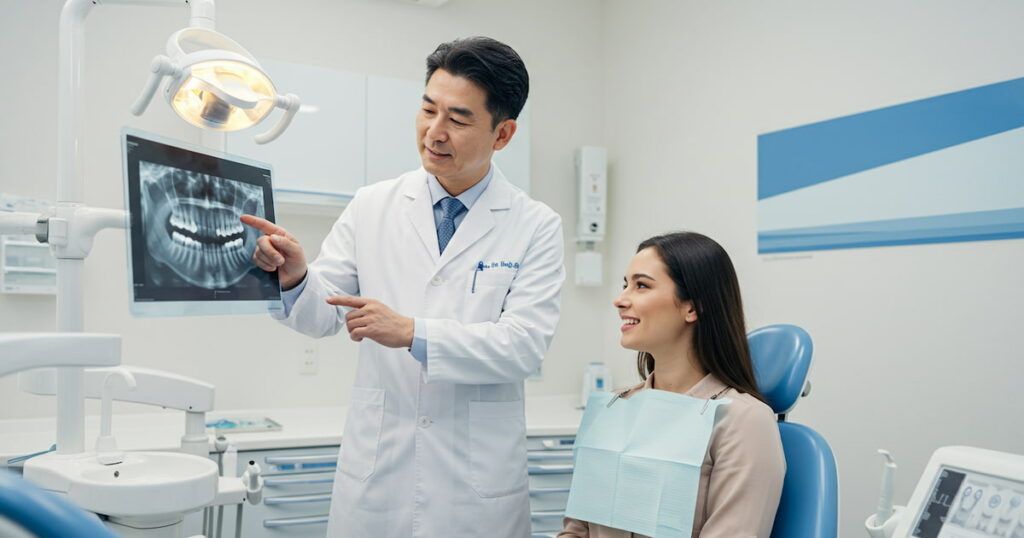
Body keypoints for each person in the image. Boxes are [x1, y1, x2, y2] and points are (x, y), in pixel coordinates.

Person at [241, 37, 564, 538]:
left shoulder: (535, 225)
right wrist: (295, 277)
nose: (434, 132)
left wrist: (414, 332)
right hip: (380, 475)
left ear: (502, 134)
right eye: (427, 109)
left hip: (475, 490)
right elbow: (324, 314)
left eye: (457, 120)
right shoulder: (373, 204)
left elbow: (523, 346)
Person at [559, 232, 785, 538]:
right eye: (625, 285)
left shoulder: (742, 422)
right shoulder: (613, 407)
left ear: (693, 307)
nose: (620, 299)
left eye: (641, 285)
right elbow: (576, 531)